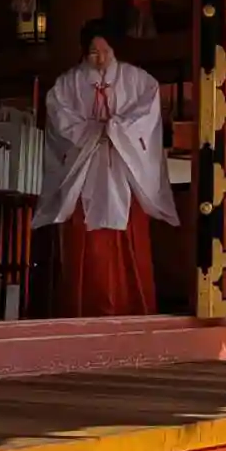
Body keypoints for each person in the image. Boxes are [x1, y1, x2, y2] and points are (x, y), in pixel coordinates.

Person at [34, 19, 177, 317]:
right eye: (93, 52)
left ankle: (133, 310)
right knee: (85, 244)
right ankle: (82, 312)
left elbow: (147, 114)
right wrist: (91, 132)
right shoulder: (68, 84)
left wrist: (115, 129)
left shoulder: (137, 80)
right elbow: (59, 118)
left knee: (129, 237)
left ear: (115, 50)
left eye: (105, 51)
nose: (99, 58)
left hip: (124, 171)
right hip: (86, 171)